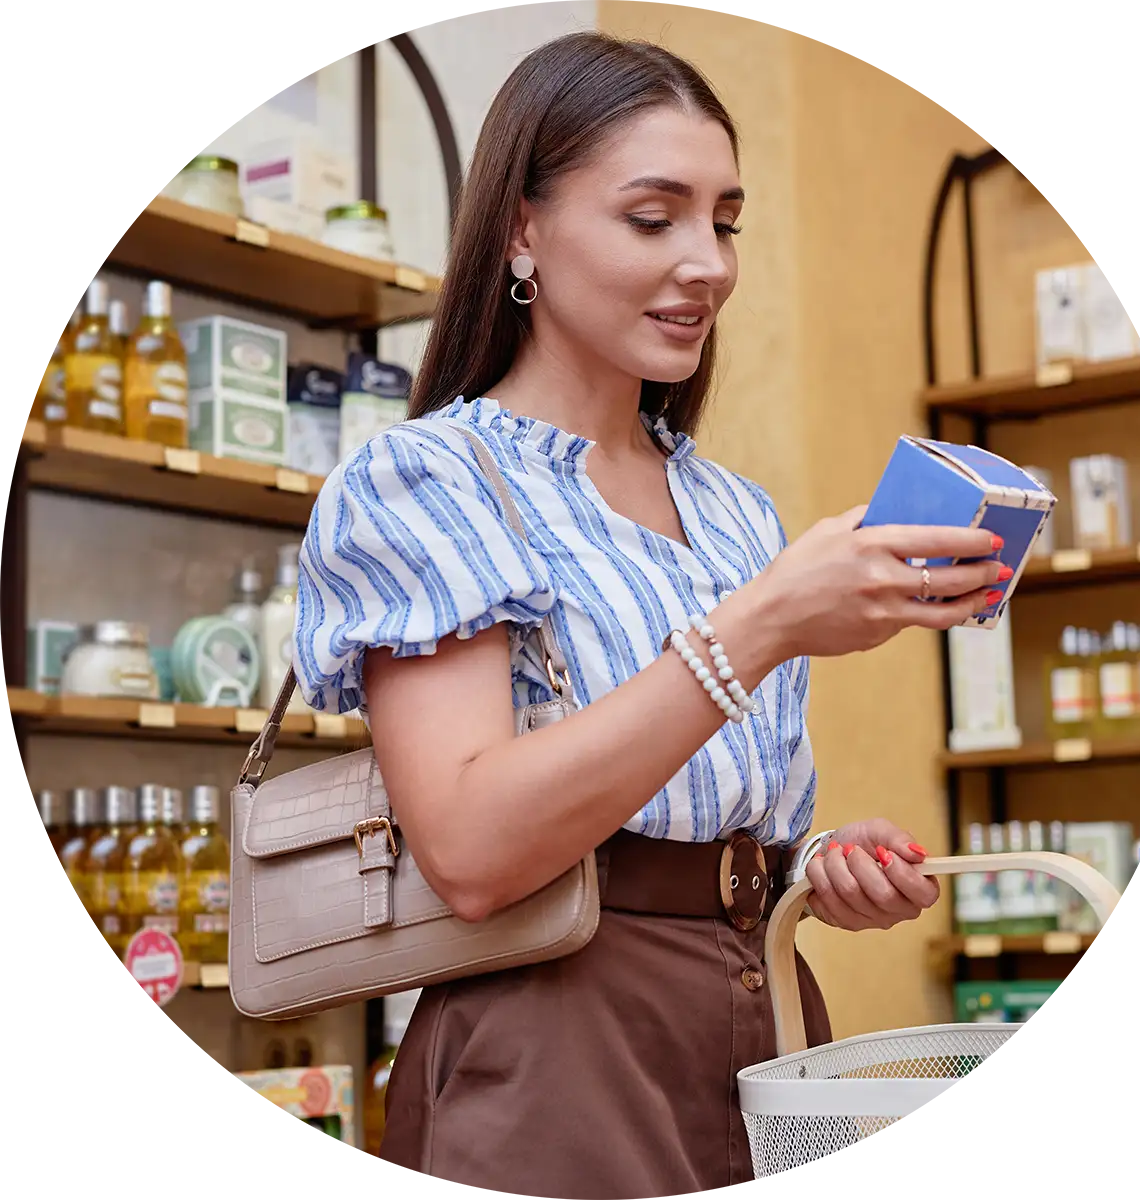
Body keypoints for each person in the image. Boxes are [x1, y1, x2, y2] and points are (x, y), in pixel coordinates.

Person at [291, 30, 1007, 1197]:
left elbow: (699, 808)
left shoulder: (733, 510)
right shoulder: (431, 483)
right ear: (522, 229)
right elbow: (469, 851)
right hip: (559, 1048)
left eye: (724, 221)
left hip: (775, 1013)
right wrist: (762, 624)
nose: (708, 263)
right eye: (652, 217)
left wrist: (817, 865)